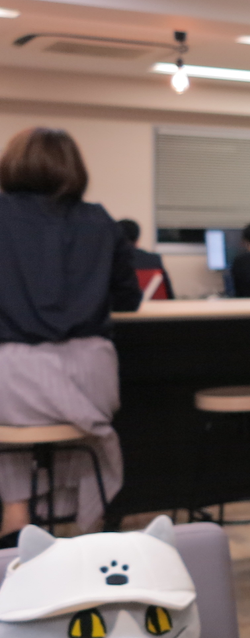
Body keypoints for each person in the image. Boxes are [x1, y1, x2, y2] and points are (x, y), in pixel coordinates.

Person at [0, 128, 140, 544]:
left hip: (13, 379)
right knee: (64, 425)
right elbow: (129, 298)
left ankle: (16, 514)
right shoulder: (100, 221)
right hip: (92, 378)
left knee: (9, 409)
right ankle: (85, 518)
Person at [116, 218, 173, 300]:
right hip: (153, 306)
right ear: (137, 238)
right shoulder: (154, 260)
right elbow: (169, 295)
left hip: (120, 306)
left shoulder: (109, 261)